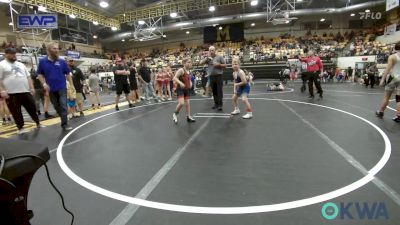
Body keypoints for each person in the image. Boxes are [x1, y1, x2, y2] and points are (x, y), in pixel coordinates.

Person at [0, 48, 43, 134]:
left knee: (32, 107)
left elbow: (28, 77)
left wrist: (31, 87)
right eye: (12, 54)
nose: (14, 56)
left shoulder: (21, 64)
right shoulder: (1, 65)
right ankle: (20, 127)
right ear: (6, 54)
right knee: (16, 111)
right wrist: (2, 90)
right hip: (11, 93)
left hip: (25, 90)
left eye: (15, 54)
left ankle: (38, 123)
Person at [37, 42, 74, 131]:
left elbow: (68, 74)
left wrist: (72, 86)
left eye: (57, 48)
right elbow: (39, 74)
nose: (57, 50)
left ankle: (64, 124)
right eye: (54, 48)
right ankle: (63, 117)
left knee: (64, 105)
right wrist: (44, 84)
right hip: (51, 89)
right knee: (56, 106)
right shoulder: (42, 61)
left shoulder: (62, 61)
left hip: (62, 87)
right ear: (49, 50)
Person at [375, 41, 400, 122]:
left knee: (386, 97)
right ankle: (398, 116)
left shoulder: (392, 57)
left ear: (395, 48)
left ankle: (381, 112)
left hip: (393, 78)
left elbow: (387, 69)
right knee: (399, 98)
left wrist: (382, 79)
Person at [200, 46, 227, 110]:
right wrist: (206, 59)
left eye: (212, 50)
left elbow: (225, 66)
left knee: (219, 91)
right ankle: (216, 104)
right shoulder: (208, 58)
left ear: (215, 50)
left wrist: (218, 65)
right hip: (211, 76)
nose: (211, 51)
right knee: (214, 91)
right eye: (210, 50)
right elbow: (200, 63)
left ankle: (220, 105)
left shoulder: (219, 57)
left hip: (219, 76)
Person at [172, 58, 196, 124]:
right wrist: (180, 83)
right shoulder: (181, 70)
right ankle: (175, 114)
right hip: (180, 89)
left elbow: (189, 79)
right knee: (182, 103)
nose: (190, 63)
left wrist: (190, 83)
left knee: (188, 104)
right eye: (188, 62)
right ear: (184, 63)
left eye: (190, 62)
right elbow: (174, 78)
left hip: (186, 89)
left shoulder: (189, 71)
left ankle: (188, 116)